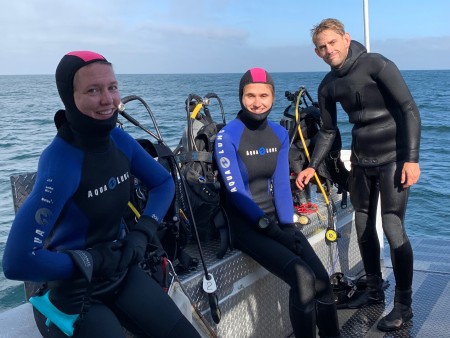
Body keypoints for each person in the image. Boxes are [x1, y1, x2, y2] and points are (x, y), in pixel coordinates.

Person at [2, 51, 201, 338]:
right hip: (74, 290)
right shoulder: (60, 162)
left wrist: (141, 233)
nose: (108, 99)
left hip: (121, 270)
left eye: (112, 87)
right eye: (93, 90)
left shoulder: (119, 140)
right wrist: (91, 261)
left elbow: (163, 183)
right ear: (70, 98)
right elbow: (17, 261)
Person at [296, 18, 421, 332]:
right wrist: (312, 164)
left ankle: (403, 305)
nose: (328, 51)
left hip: (394, 158)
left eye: (332, 43)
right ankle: (374, 289)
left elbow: (409, 108)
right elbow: (327, 131)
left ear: (345, 38)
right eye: (321, 47)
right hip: (362, 163)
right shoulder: (328, 85)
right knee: (364, 226)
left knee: (393, 228)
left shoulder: (376, 64)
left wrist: (412, 159)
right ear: (316, 52)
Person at [214, 67, 341, 338]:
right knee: (303, 279)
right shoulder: (227, 137)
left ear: (272, 97)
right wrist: (271, 229)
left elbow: (282, 185)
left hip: (276, 222)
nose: (257, 102)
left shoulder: (279, 134)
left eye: (263, 95)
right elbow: (236, 193)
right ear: (241, 97)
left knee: (322, 280)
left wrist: (287, 226)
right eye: (250, 95)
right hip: (246, 225)